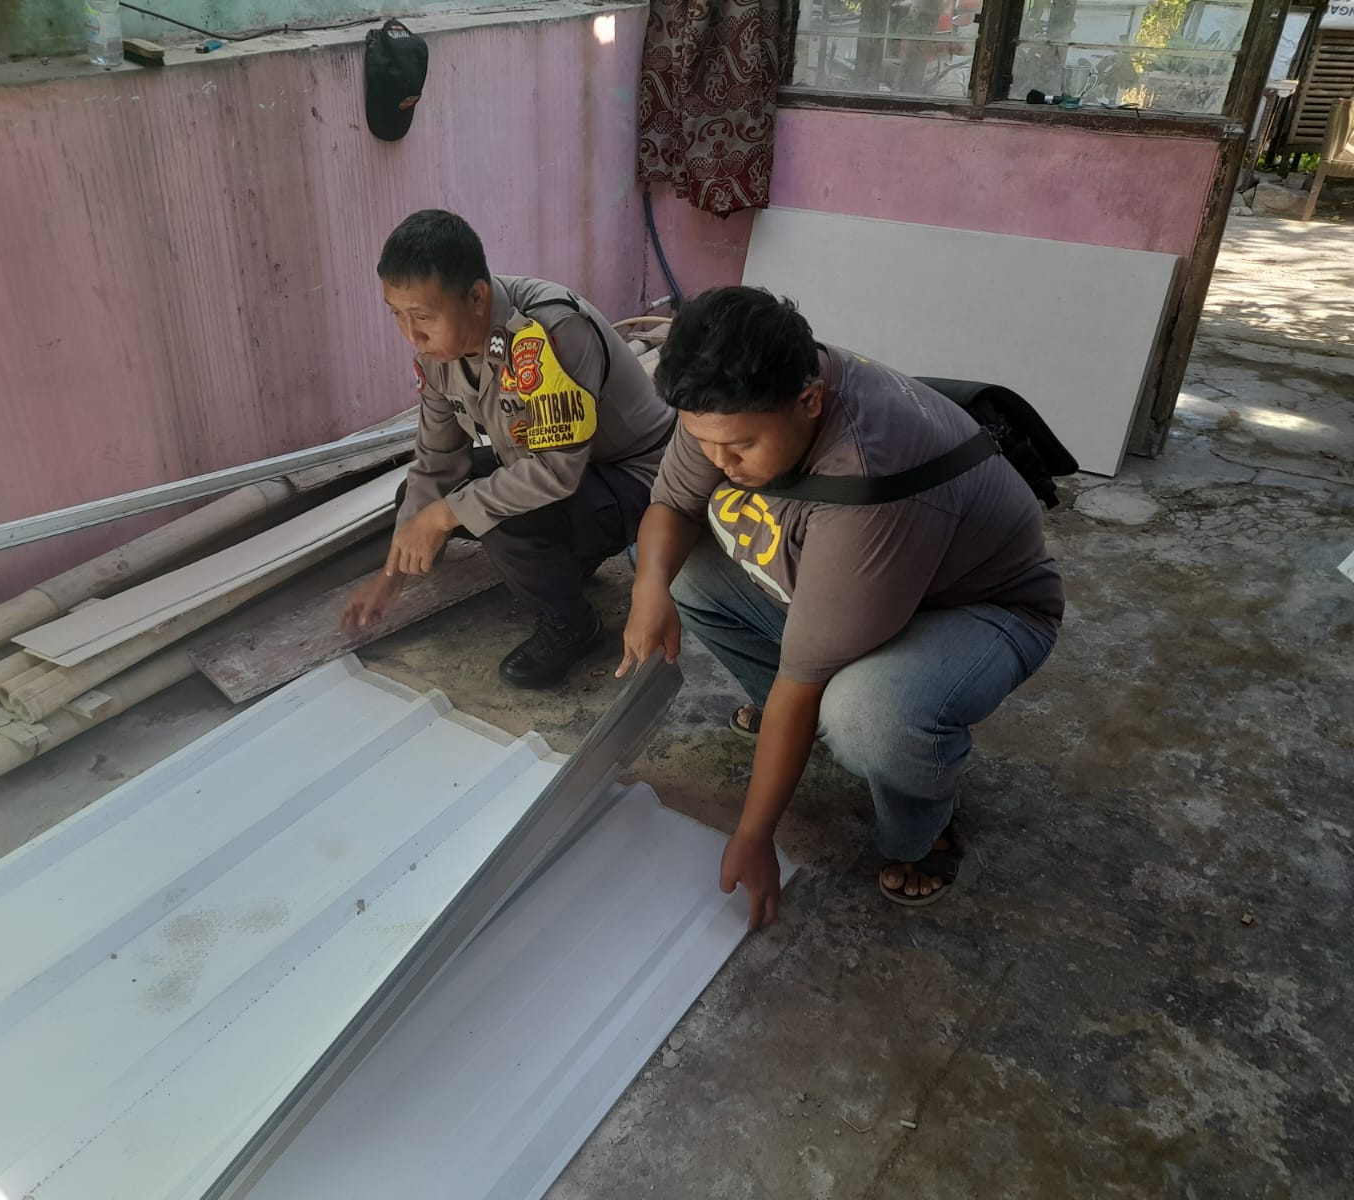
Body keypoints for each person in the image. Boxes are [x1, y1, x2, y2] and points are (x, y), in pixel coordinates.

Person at [617, 287, 1063, 923]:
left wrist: (754, 835)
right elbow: (672, 506)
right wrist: (647, 592)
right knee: (665, 568)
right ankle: (802, 727)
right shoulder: (733, 391)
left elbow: (803, 681)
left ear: (810, 400)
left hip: (981, 609)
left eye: (738, 448)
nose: (719, 461)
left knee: (867, 716)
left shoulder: (872, 475)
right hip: (868, 583)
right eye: (703, 442)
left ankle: (924, 828)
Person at [344, 210, 676, 688]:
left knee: (496, 516)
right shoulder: (438, 354)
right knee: (421, 499)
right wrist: (391, 576)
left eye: (422, 316)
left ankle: (574, 627)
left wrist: (444, 515)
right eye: (396, 314)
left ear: (477, 297)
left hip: (636, 477)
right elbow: (437, 461)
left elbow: (555, 472)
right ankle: (568, 564)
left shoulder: (549, 332)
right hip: (566, 473)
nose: (410, 335)